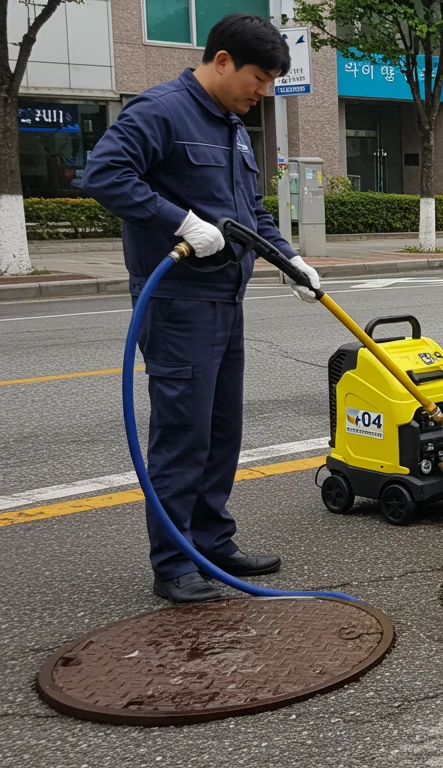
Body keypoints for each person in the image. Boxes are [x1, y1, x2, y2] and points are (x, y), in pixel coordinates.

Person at [83, 14, 322, 604]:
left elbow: (251, 212)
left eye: (270, 81)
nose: (262, 91)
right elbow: (103, 173)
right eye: (259, 77)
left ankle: (212, 541)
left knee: (220, 431)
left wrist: (292, 260)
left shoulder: (232, 126)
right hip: (176, 303)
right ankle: (174, 563)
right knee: (183, 436)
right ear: (221, 61)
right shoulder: (160, 110)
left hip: (224, 299)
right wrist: (179, 221)